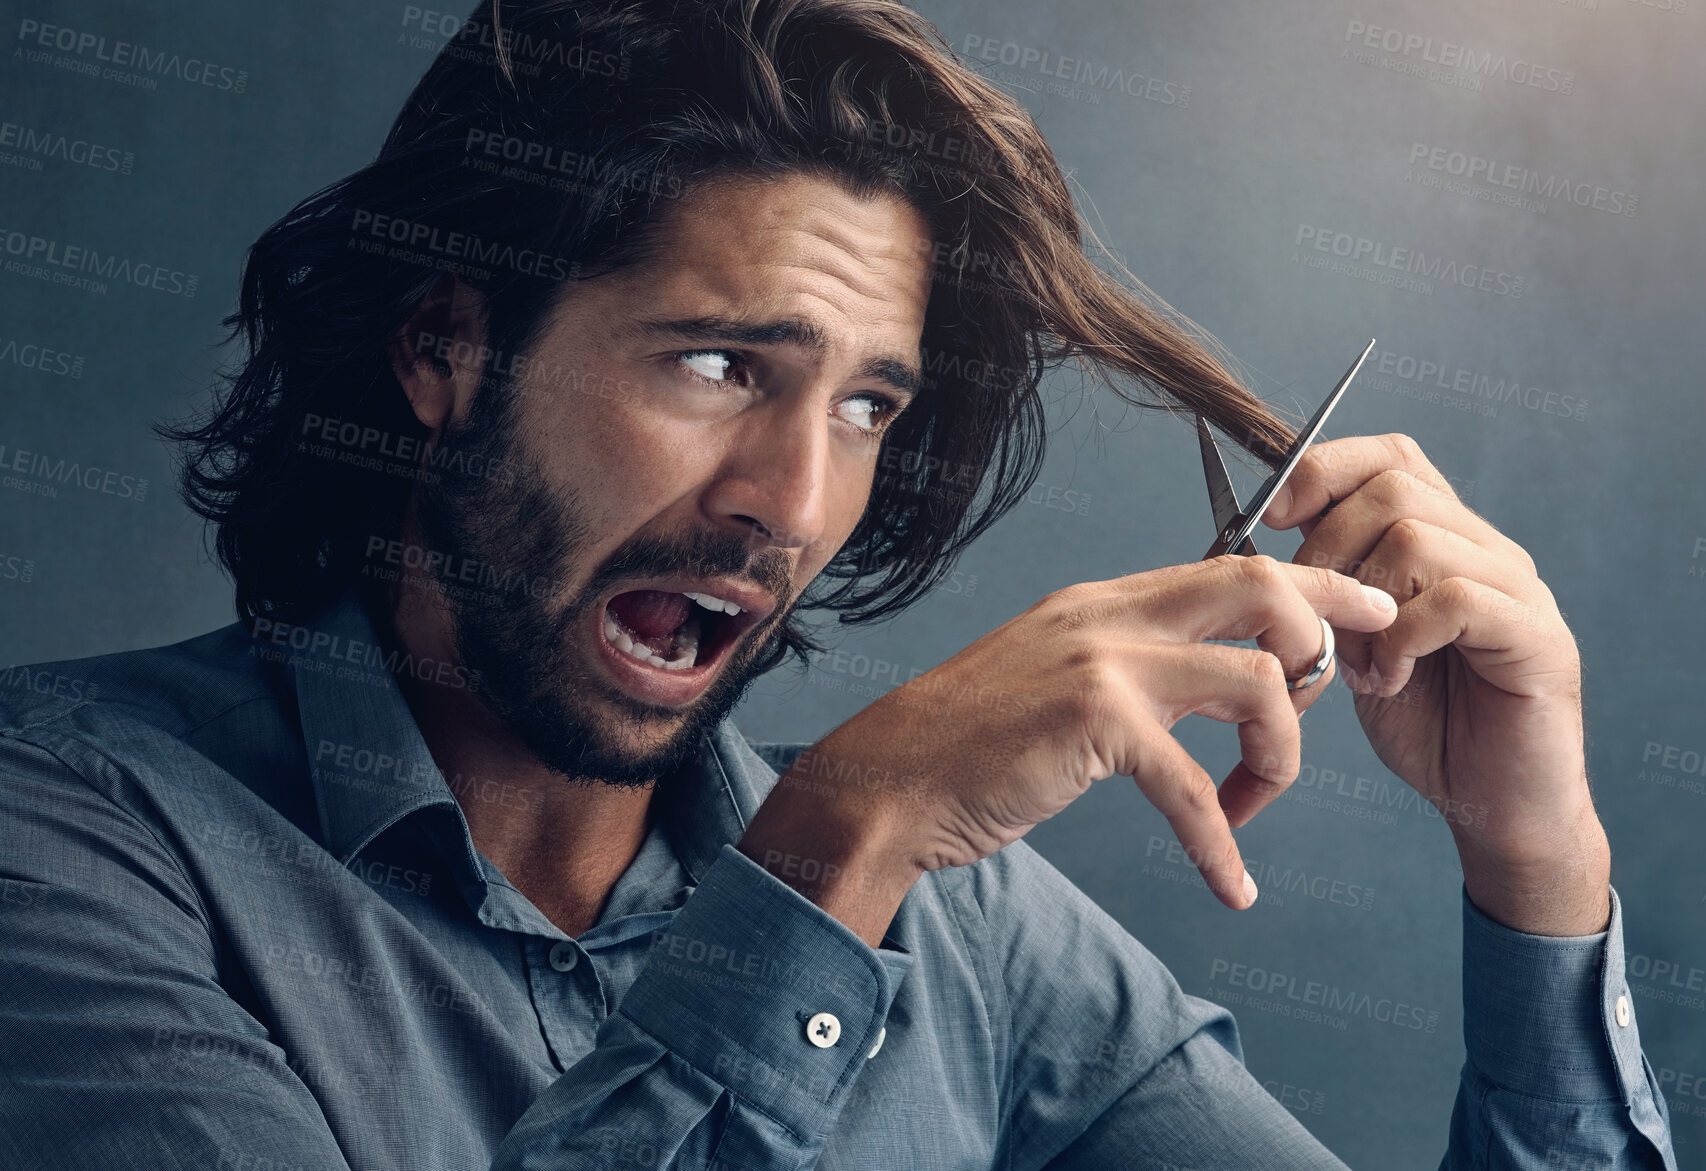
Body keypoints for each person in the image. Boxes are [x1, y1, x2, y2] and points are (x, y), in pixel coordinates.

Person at [0, 1, 1676, 1168]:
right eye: (721, 364)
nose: (789, 505)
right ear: (448, 345)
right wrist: (826, 857)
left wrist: (1533, 865)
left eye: (868, 403)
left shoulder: (975, 939)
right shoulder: (72, 841)